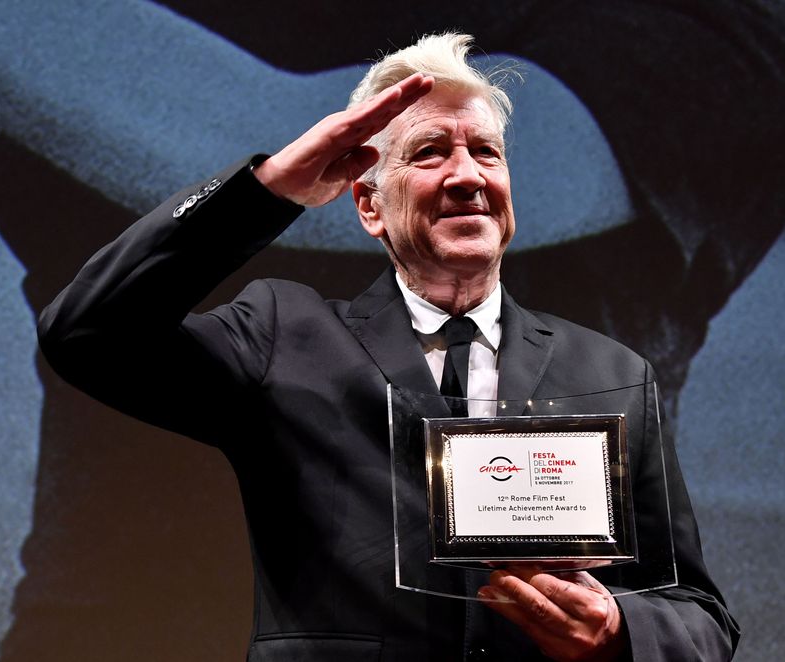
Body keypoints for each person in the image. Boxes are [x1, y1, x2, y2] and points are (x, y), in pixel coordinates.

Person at [38, 33, 739, 661]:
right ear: (367, 205)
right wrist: (267, 189)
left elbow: (701, 618)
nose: (467, 176)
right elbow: (88, 331)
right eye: (430, 153)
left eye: (485, 153)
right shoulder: (287, 335)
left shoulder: (612, 371)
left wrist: (619, 631)